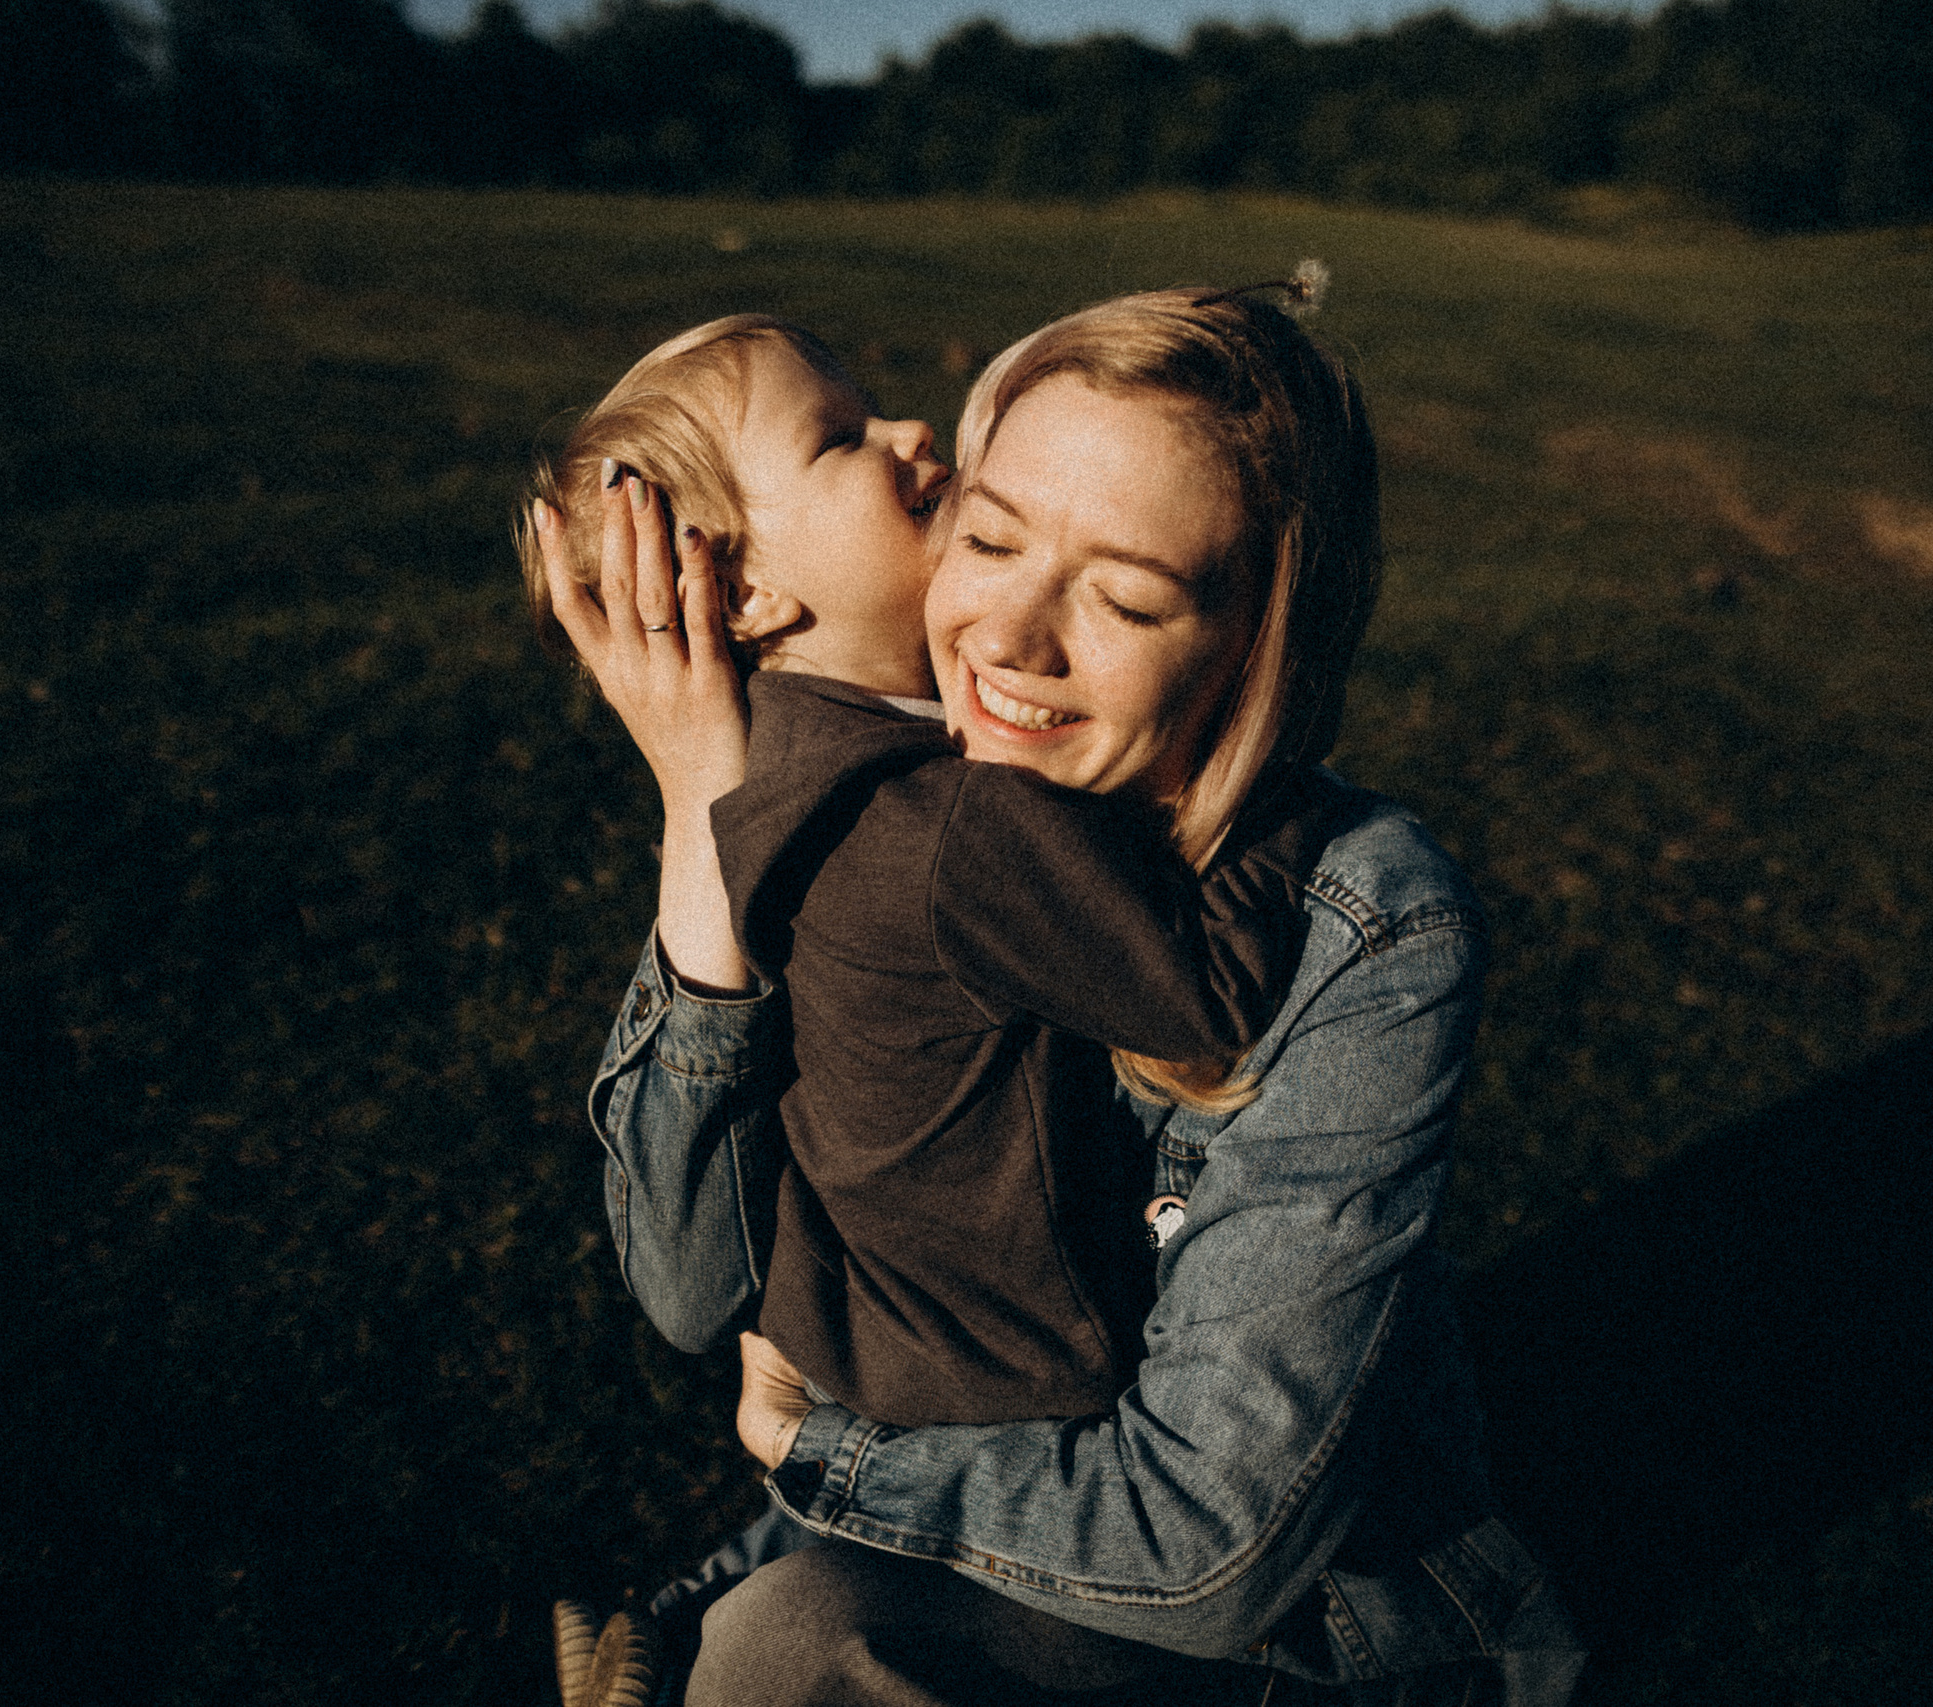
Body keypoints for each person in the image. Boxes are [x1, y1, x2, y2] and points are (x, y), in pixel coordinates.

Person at [549, 286, 1585, 1705]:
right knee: (773, 1639)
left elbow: (1211, 1555)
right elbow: (687, 1281)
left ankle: (695, 1618)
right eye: (986, 537)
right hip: (989, 1473)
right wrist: (693, 795)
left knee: (782, 1652)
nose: (1011, 640)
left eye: (1128, 596)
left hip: (1288, 1621)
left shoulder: (1363, 910)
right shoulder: (878, 797)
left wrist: (825, 1450)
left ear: (1257, 640)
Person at [525, 310, 1322, 1443]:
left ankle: (686, 1605)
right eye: (838, 437)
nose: (906, 429)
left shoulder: (773, 775)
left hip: (851, 1331)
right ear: (743, 592)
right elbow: (1206, 991)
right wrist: (1266, 785)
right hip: (1005, 1379)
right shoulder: (942, 827)